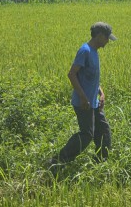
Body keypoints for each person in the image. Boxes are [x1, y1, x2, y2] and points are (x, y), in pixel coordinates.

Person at [49, 22, 117, 170]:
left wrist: (101, 92)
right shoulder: (85, 51)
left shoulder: (95, 51)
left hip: (93, 101)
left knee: (103, 130)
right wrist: (83, 97)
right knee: (87, 134)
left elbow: (91, 76)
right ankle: (58, 161)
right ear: (99, 36)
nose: (107, 42)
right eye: (107, 38)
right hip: (83, 102)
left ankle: (101, 162)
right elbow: (72, 74)